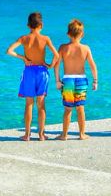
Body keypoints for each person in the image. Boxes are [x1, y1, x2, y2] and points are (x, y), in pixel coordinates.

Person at [6, 12, 59, 141]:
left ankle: (27, 134)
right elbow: (57, 55)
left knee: (29, 103)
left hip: (29, 71)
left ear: (28, 25)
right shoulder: (45, 38)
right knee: (41, 104)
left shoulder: (24, 38)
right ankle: (41, 134)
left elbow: (9, 51)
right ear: (41, 25)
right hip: (42, 71)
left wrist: (23, 57)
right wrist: (50, 65)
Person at [53, 19, 98, 141]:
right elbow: (93, 66)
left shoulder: (63, 47)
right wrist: (95, 81)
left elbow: (56, 65)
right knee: (80, 108)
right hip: (81, 81)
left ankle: (64, 135)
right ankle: (82, 134)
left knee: (68, 109)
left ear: (68, 34)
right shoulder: (85, 48)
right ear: (82, 34)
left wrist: (57, 80)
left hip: (67, 81)